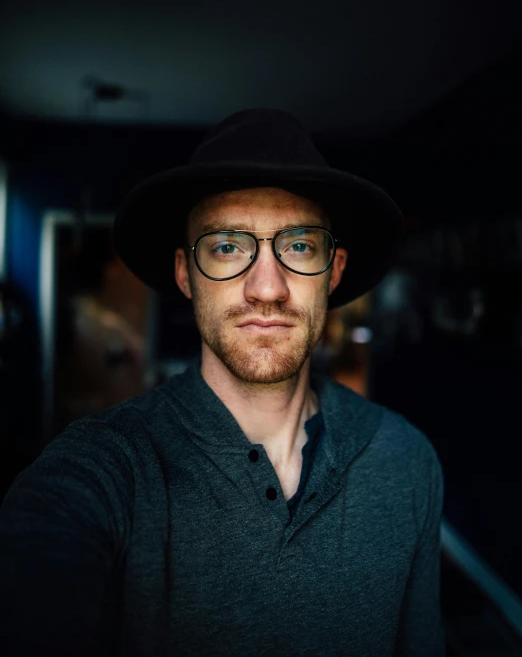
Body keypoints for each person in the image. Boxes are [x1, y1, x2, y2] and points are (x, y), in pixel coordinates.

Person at [0, 109, 446, 656]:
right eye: (228, 246)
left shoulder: (406, 460)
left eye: (300, 245)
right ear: (186, 275)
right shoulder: (103, 472)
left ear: (334, 270)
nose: (267, 288)